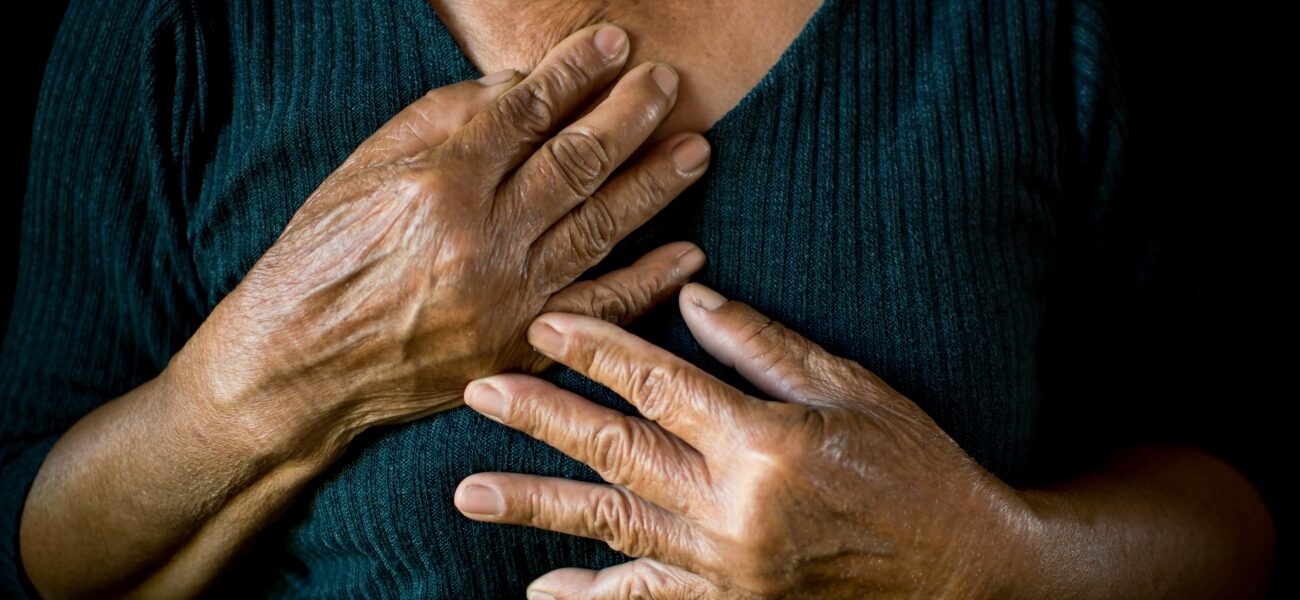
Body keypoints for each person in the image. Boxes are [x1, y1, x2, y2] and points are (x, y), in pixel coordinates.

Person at [1, 0, 1275, 598]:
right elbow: (29, 549)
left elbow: (1237, 513)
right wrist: (293, 373)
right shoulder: (184, 27)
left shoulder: (1029, 27)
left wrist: (974, 558)